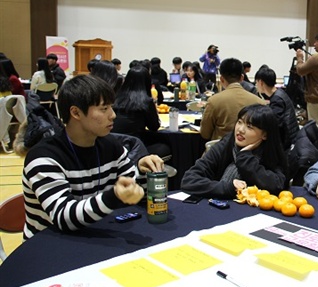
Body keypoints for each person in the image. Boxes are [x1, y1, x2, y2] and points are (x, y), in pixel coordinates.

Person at [22, 75, 164, 240]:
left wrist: (144, 171)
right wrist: (114, 196)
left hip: (96, 236)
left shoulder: (112, 146)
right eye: (104, 109)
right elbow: (64, 217)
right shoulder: (44, 157)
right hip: (47, 245)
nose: (113, 115)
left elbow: (132, 188)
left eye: (111, 107)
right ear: (76, 113)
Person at [182, 104, 287, 198]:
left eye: (249, 127)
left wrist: (245, 157)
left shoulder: (270, 152)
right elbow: (189, 180)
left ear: (265, 134)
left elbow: (276, 186)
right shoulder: (226, 145)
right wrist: (228, 187)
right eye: (240, 122)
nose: (240, 130)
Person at [200, 58, 265, 142]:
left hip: (220, 151)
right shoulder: (259, 102)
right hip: (251, 152)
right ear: (242, 77)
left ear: (221, 79)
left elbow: (205, 134)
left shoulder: (213, 101)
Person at [112, 66, 170, 157]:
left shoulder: (116, 98)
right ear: (147, 81)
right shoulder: (146, 101)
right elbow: (154, 127)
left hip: (114, 146)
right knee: (165, 146)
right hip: (133, 147)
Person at [254, 66, 299, 151]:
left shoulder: (277, 100)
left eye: (256, 83)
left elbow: (274, 123)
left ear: (261, 82)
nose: (256, 86)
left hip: (286, 143)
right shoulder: (280, 93)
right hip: (290, 137)